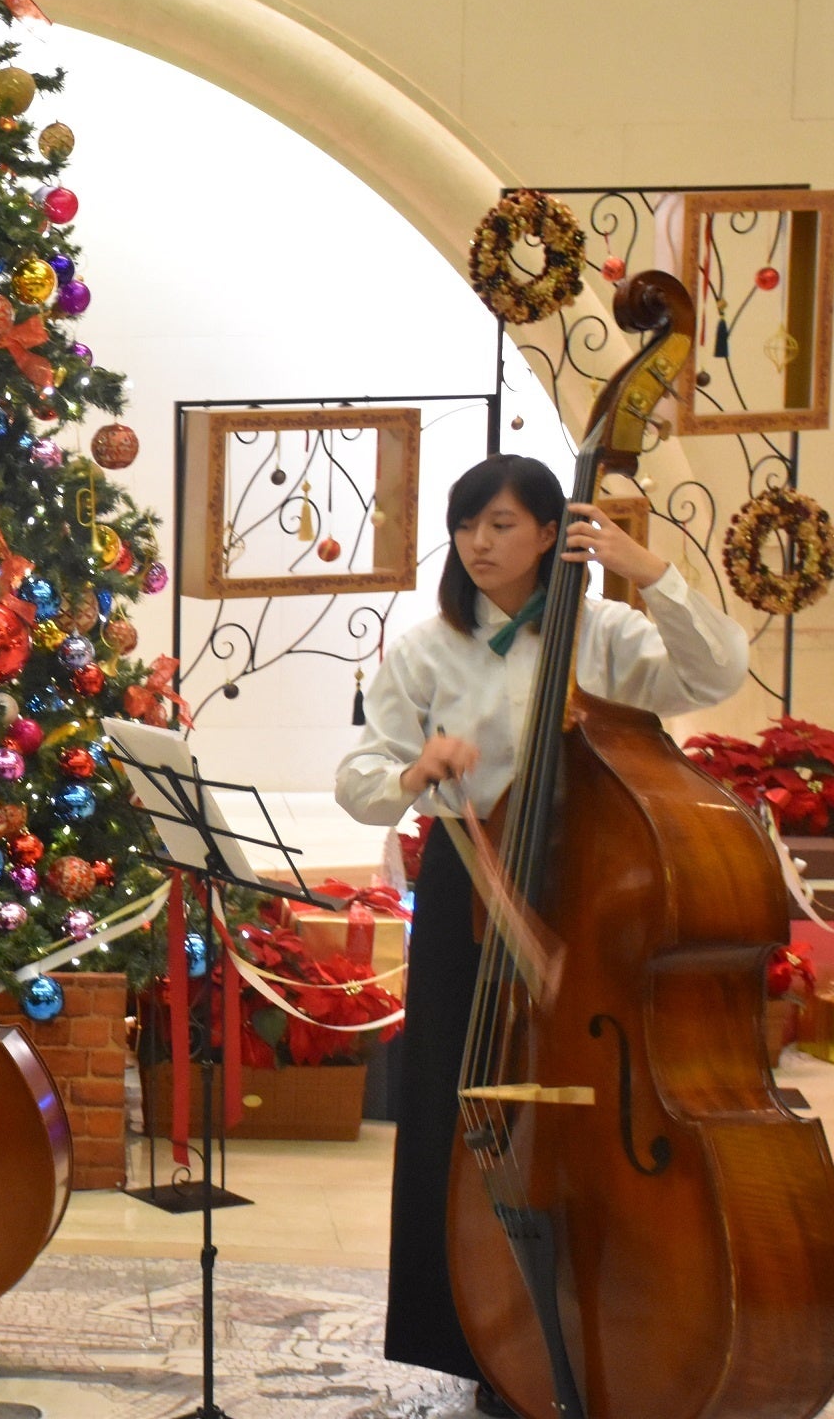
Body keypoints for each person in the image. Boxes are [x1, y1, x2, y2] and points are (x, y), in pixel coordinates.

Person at [333, 455, 748, 1417]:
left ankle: (619, 1318)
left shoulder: (605, 633)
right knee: (461, 1102)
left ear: (553, 534)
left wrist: (651, 573)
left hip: (593, 883)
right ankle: (480, 1334)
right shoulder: (427, 649)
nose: (479, 544)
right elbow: (360, 775)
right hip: (471, 885)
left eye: (502, 525)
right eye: (467, 525)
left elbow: (713, 671)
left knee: (592, 1111)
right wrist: (410, 775)